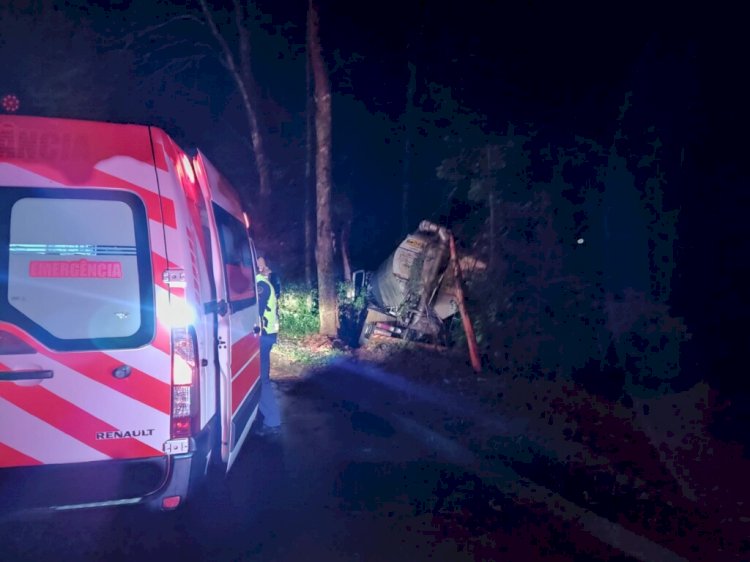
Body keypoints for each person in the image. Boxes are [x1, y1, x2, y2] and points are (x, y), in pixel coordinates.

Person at [255, 256, 282, 436]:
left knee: (262, 378)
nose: (264, 266)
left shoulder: (261, 285)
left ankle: (273, 421)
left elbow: (256, 312)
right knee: (260, 377)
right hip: (267, 336)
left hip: (263, 337)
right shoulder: (264, 283)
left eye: (263, 262)